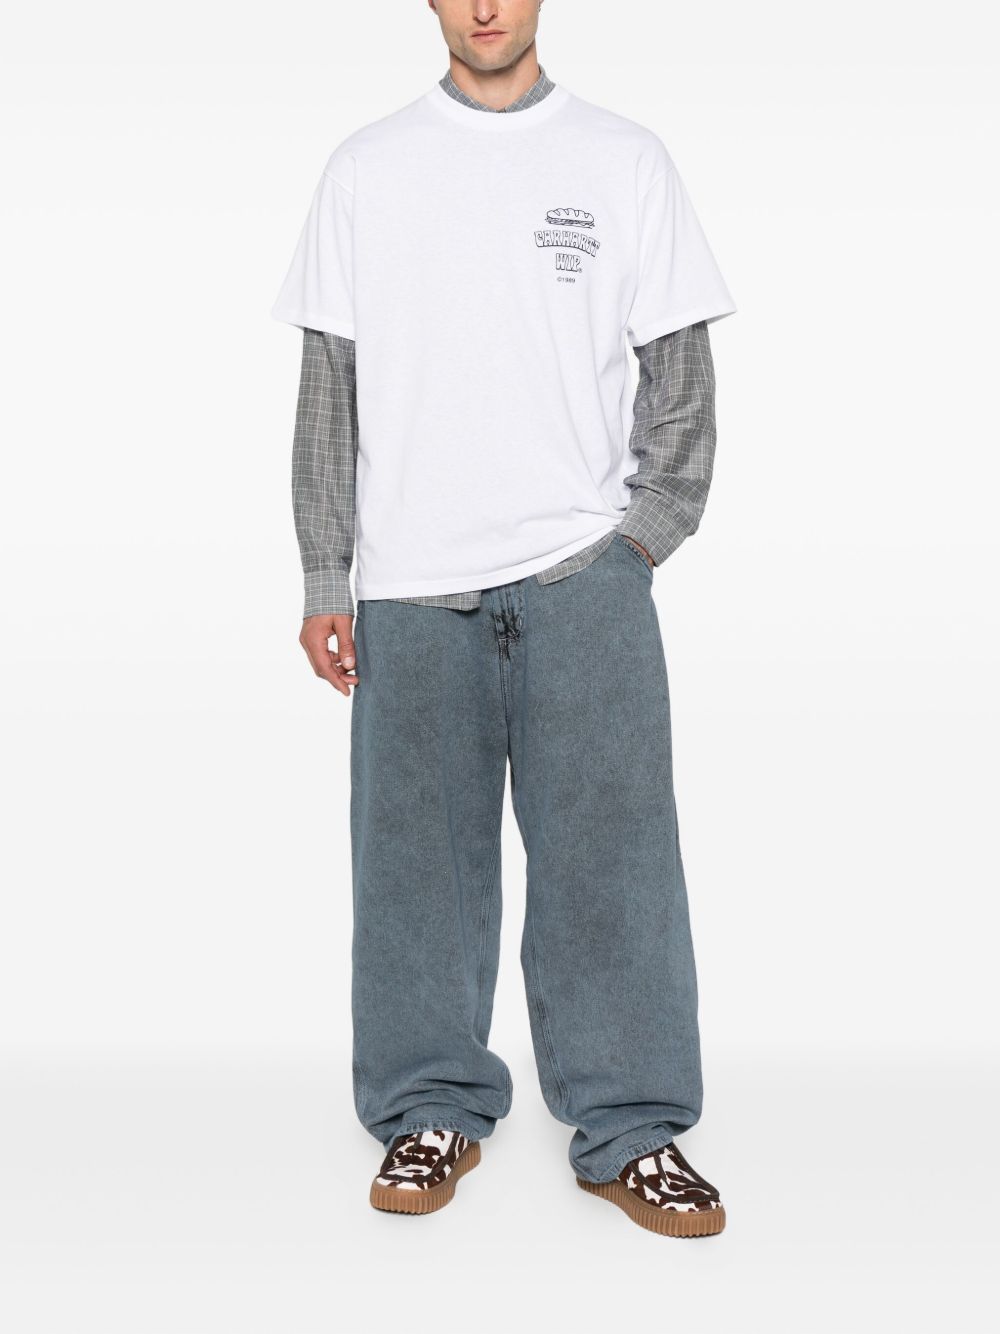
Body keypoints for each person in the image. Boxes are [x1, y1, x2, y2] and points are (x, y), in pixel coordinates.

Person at [271, 0, 736, 1238]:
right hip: (411, 589)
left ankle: (631, 1128)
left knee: (615, 869)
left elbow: (679, 380)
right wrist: (325, 574)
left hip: (584, 579)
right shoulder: (366, 168)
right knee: (413, 873)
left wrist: (636, 546)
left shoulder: (624, 159)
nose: (485, 7)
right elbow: (330, 391)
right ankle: (428, 1105)